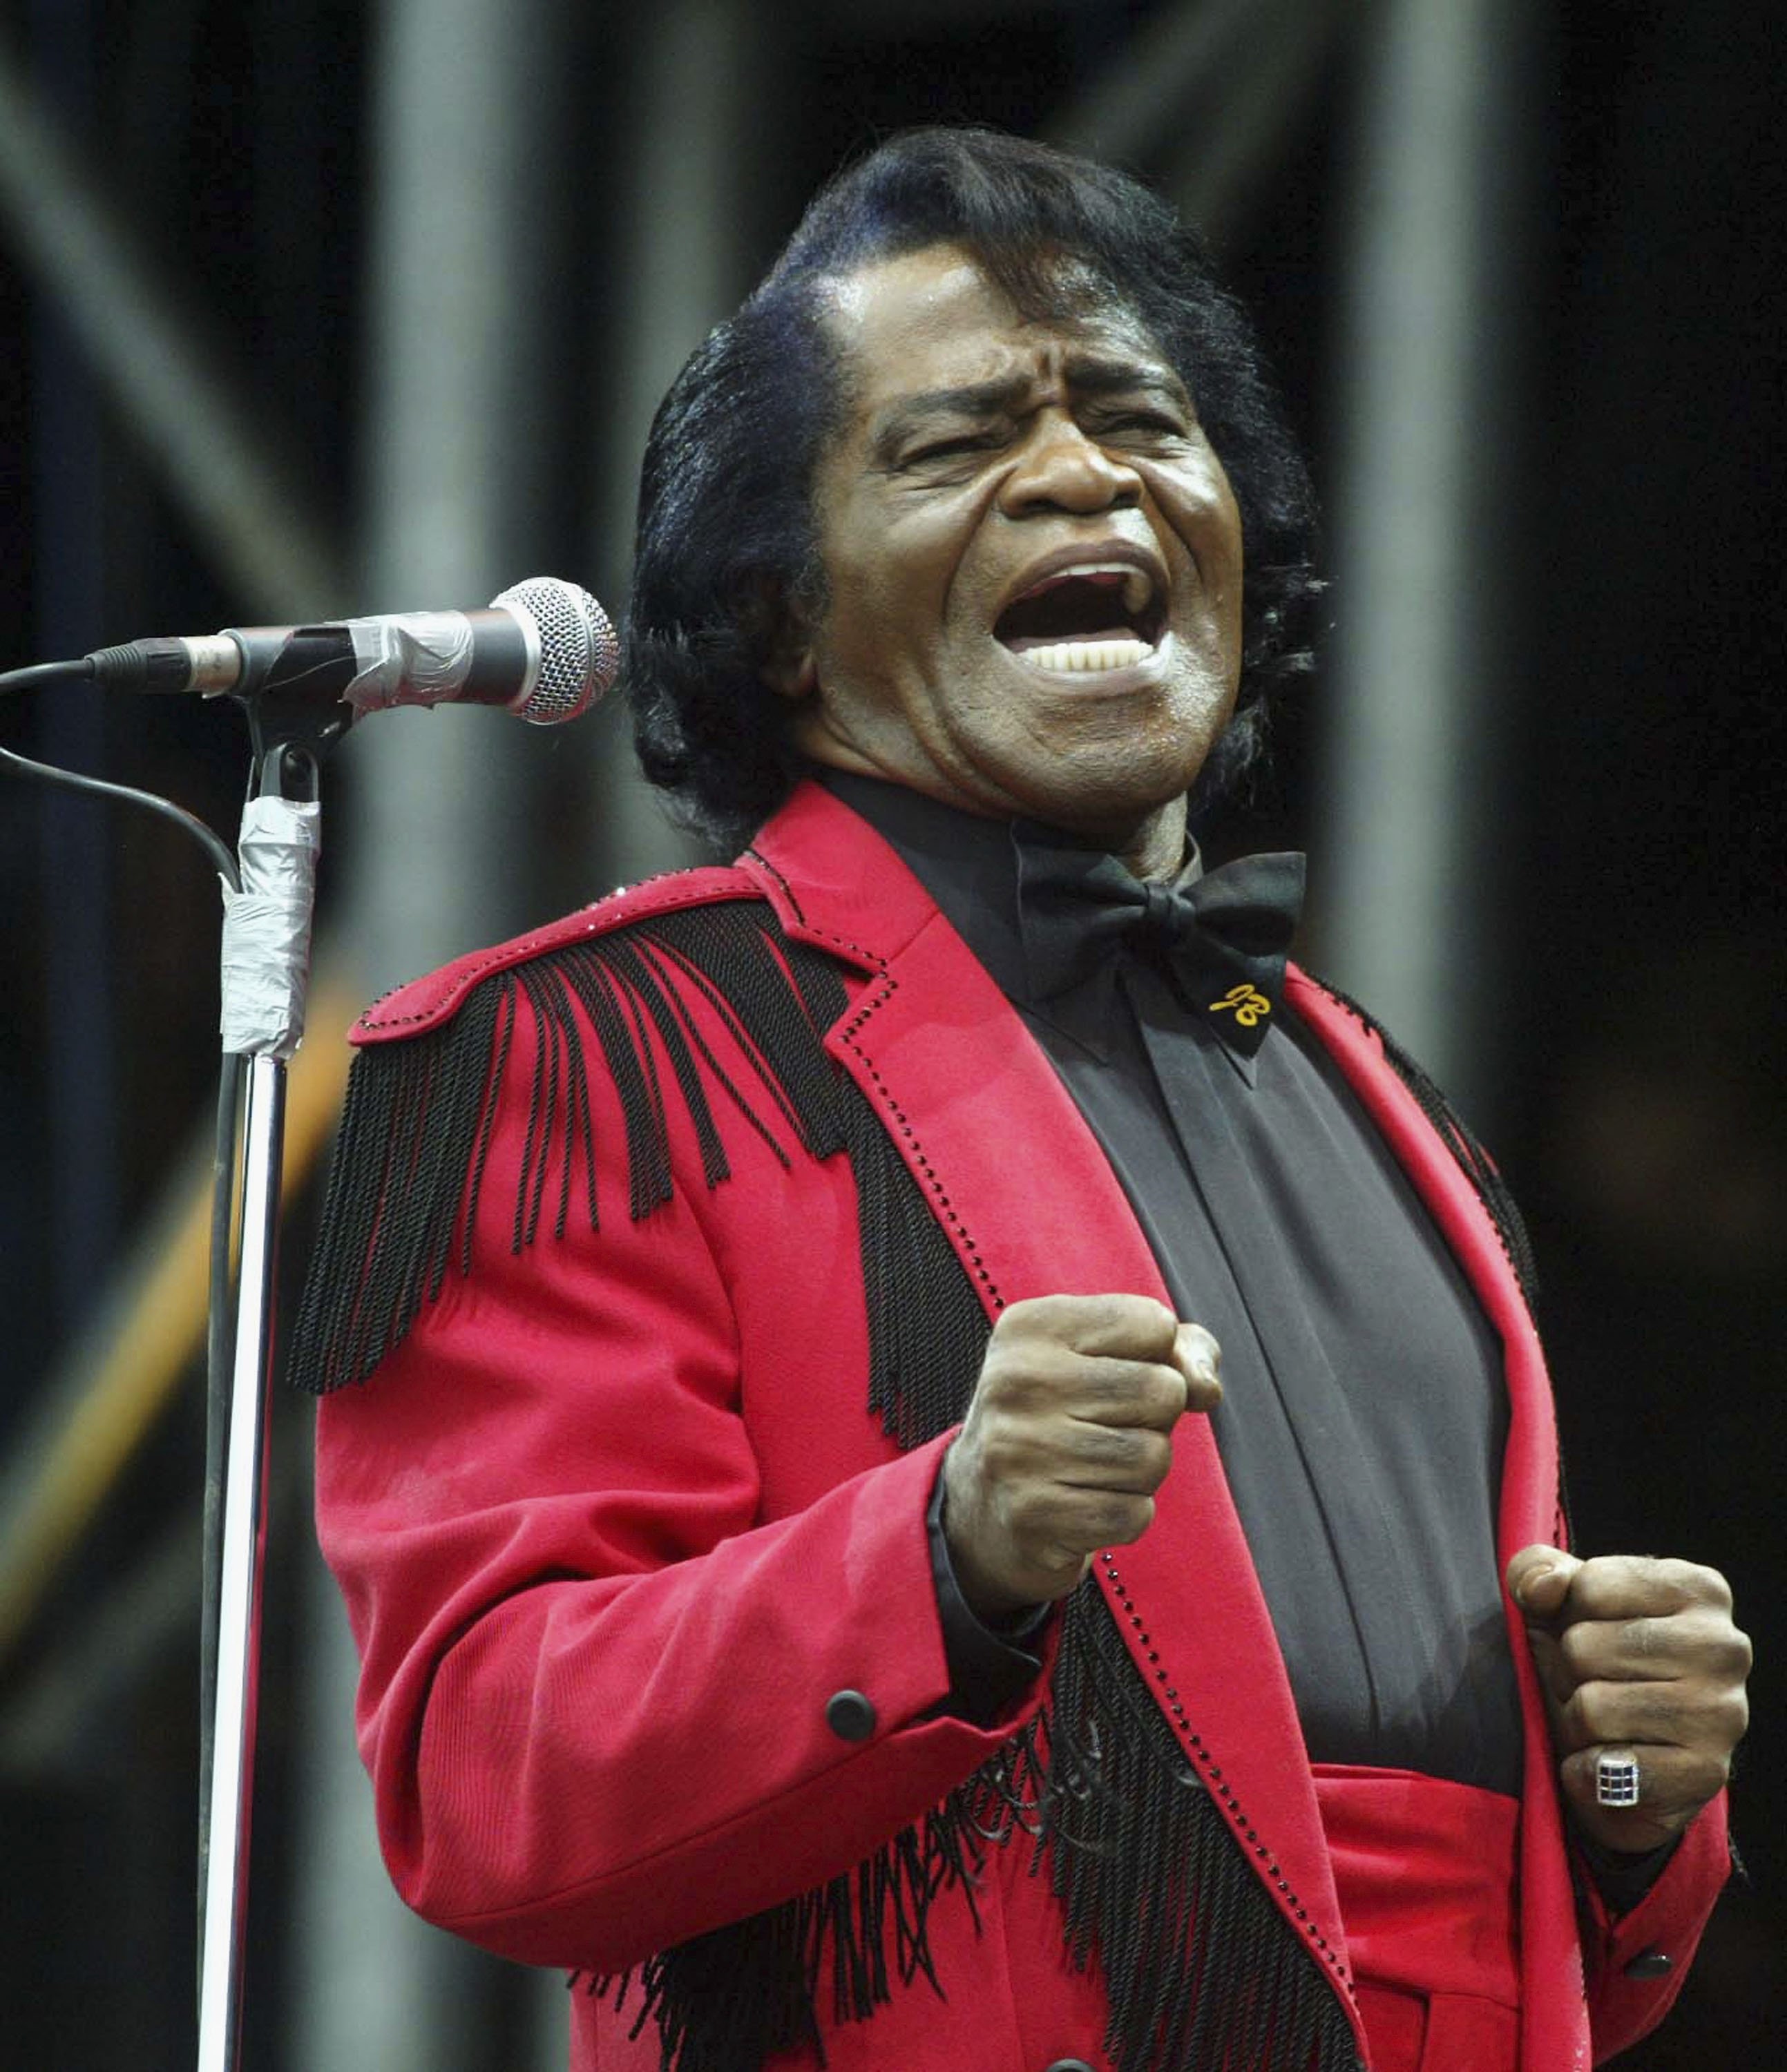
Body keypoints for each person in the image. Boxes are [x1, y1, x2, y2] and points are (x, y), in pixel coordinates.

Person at [294, 129, 1749, 2072]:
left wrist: (1638, 1791)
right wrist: (944, 1556)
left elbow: (1500, 1905)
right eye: (952, 444)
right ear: (785, 621)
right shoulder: (612, 1050)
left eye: (1141, 423)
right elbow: (487, 1781)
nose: (1081, 473)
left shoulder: (1372, 1094)